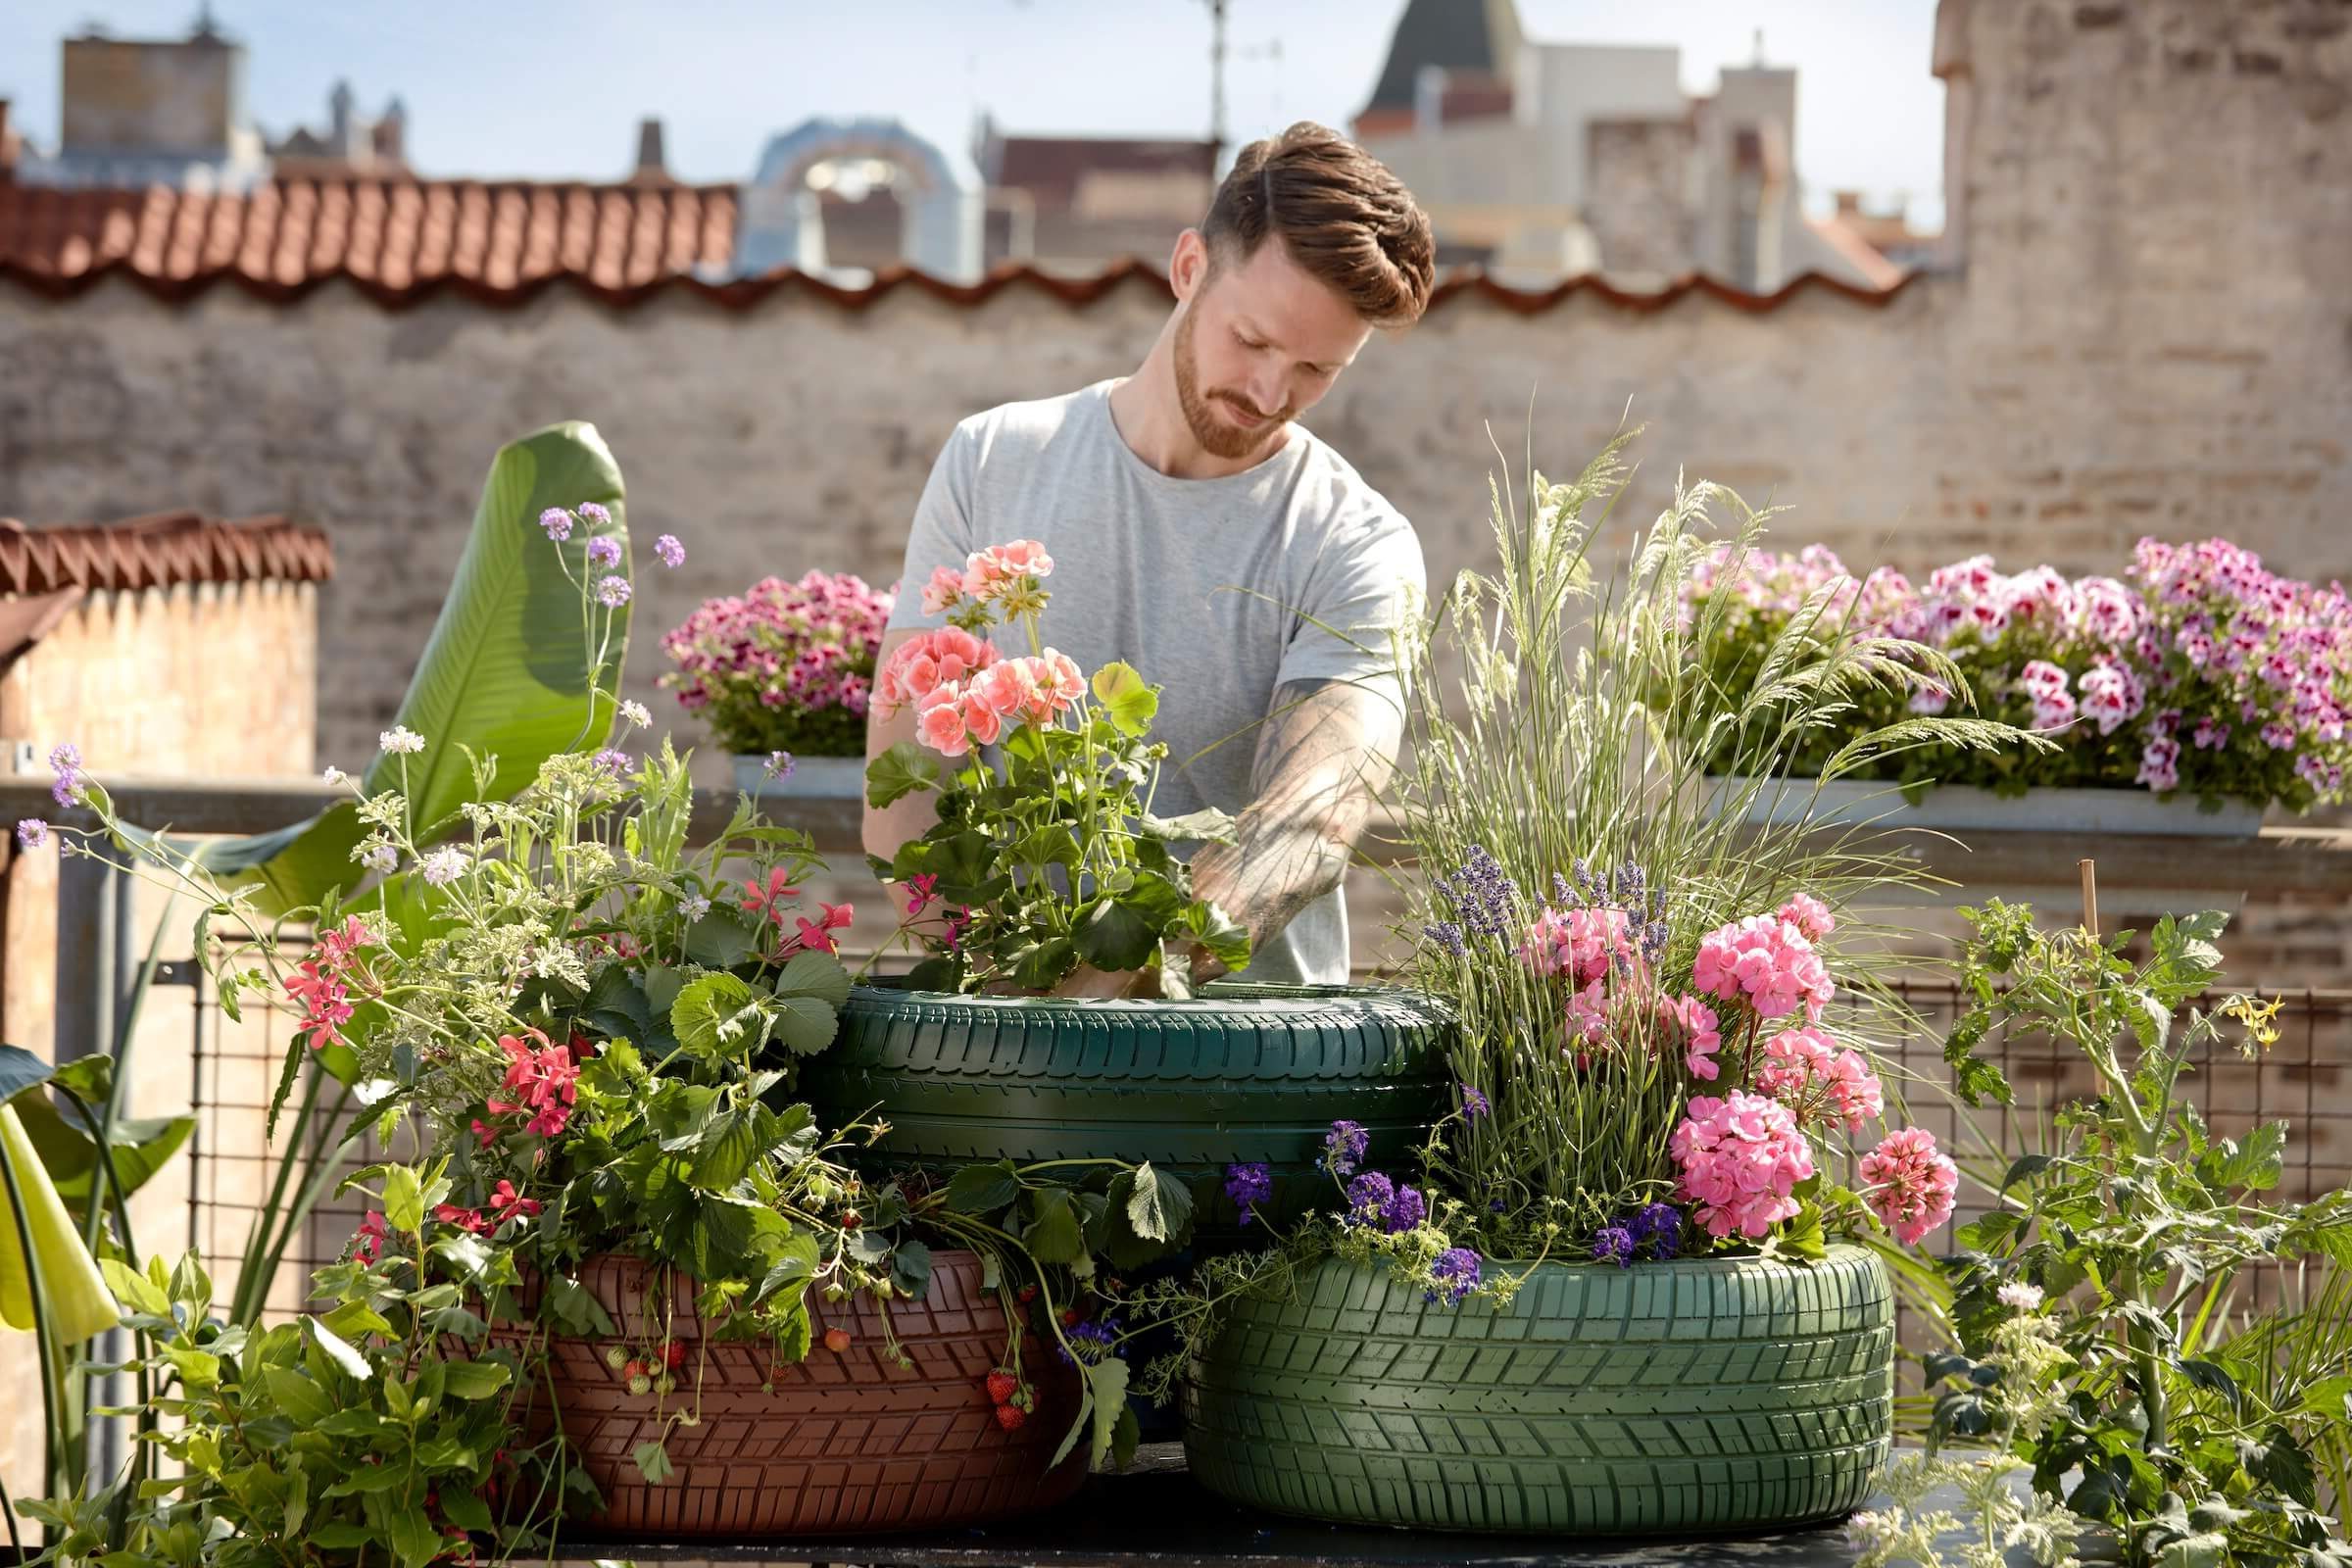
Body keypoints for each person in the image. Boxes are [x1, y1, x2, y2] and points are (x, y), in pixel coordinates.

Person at [862, 122, 1437, 993]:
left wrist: (1103, 1001)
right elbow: (902, 792)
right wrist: (992, 1006)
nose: (1272, 392)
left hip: (1255, 1076)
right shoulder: (990, 462)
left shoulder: (1356, 539)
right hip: (1006, 1061)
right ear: (1187, 269)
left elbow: (1315, 814)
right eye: (1252, 340)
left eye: (1319, 369)